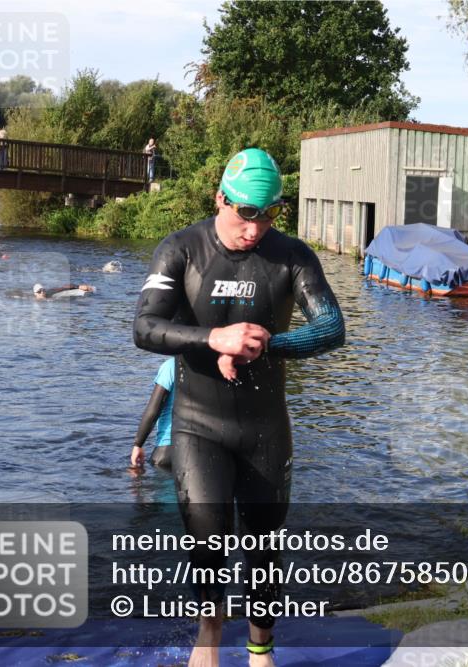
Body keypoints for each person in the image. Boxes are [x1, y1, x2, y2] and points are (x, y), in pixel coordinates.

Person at [132, 147, 345, 667]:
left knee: (264, 551)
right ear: (221, 199)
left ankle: (260, 651)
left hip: (265, 428)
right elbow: (144, 328)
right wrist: (214, 339)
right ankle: (209, 635)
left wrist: (267, 344)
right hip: (198, 426)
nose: (255, 226)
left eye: (269, 213)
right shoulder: (180, 249)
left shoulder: (292, 256)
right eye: (246, 212)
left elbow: (332, 327)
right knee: (208, 545)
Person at [129, 357, 175, 470]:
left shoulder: (171, 366)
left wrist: (138, 444)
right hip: (201, 449)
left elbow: (153, 410)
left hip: (167, 450)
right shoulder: (215, 367)